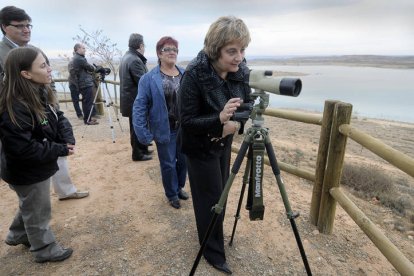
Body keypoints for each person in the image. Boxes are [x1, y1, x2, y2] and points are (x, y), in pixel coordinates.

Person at [178, 16, 252, 274]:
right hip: (199, 146)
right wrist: (219, 120)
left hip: (223, 143)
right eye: (232, 51)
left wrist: (236, 125)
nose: (239, 57)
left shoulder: (240, 70)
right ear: (215, 49)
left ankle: (213, 236)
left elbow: (248, 105)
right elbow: (186, 121)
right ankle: (212, 252)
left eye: (242, 50)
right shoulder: (194, 74)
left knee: (221, 193)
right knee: (209, 198)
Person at [0, 5, 89, 200]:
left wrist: (53, 107)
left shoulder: (35, 50)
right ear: (5, 27)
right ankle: (34, 201)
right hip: (20, 117)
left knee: (58, 150)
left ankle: (64, 191)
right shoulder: (2, 54)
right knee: (30, 164)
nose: (27, 29)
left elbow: (50, 82)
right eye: (20, 25)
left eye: (29, 25)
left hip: (45, 111)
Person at [0, 47, 74, 262]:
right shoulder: (14, 107)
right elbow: (23, 150)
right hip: (27, 171)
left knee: (30, 203)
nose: (50, 69)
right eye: (43, 66)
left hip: (37, 166)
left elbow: (57, 115)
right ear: (25, 74)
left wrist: (66, 138)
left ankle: (18, 234)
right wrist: (60, 149)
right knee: (38, 210)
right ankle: (44, 249)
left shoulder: (39, 91)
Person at [133, 36, 188, 209]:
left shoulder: (185, 74)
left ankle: (179, 187)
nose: (172, 52)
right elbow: (139, 106)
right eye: (167, 49)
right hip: (165, 129)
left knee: (184, 161)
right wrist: (142, 132)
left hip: (184, 129)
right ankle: (171, 194)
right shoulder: (148, 79)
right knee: (168, 164)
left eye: (175, 50)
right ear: (159, 53)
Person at [119, 33, 152, 161]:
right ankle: (138, 154)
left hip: (130, 99)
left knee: (137, 125)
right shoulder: (135, 60)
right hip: (135, 100)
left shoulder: (127, 57)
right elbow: (143, 82)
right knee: (137, 127)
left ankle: (143, 149)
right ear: (140, 45)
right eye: (144, 45)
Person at [71, 42, 99, 126]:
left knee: (85, 102)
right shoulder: (79, 59)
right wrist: (95, 68)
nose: (84, 50)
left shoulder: (77, 58)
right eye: (83, 48)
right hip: (85, 83)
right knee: (88, 102)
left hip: (82, 82)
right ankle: (88, 120)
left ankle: (87, 119)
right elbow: (90, 67)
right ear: (78, 49)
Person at [68, 55, 83, 119]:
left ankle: (87, 113)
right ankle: (79, 115)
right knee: (75, 101)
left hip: (81, 84)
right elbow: (72, 72)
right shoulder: (71, 63)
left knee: (85, 99)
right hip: (73, 84)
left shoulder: (82, 62)